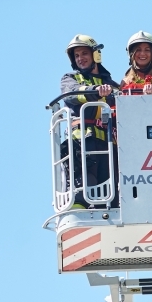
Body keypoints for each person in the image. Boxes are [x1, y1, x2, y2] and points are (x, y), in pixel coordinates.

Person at [60, 34, 119, 208]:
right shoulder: (69, 78)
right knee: (82, 188)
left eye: (84, 53)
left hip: (109, 144)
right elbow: (72, 94)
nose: (80, 58)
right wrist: (95, 90)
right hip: (82, 142)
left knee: (111, 194)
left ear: (95, 55)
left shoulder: (111, 84)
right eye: (76, 55)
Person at [120, 31, 152, 95]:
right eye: (138, 50)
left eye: (147, 50)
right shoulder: (125, 82)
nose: (142, 53)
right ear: (131, 54)